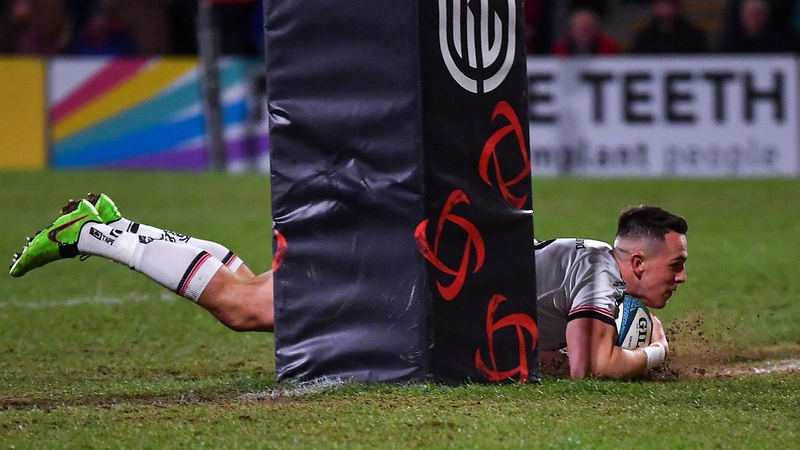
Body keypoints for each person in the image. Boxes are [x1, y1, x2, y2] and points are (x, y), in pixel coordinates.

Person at [9, 195, 688, 379]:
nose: (679, 278)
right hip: (397, 274)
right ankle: (90, 233)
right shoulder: (600, 268)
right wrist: (654, 353)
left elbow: (552, 359)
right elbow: (589, 367)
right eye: (673, 265)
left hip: (407, 277)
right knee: (248, 308)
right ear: (634, 263)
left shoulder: (595, 275)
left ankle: (111, 225)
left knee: (249, 294)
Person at [629, 0, 709, 54]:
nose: (665, 10)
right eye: (661, 5)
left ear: (678, 7)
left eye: (669, 5)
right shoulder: (644, 38)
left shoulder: (694, 37)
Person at [719, 0, 798, 53]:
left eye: (757, 14)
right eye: (749, 14)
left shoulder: (781, 45)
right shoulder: (729, 45)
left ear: (765, 16)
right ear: (741, 16)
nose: (753, 19)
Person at [552, 8, 621, 56]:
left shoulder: (609, 46)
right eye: (581, 29)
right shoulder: (561, 48)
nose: (586, 33)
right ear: (571, 31)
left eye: (589, 28)